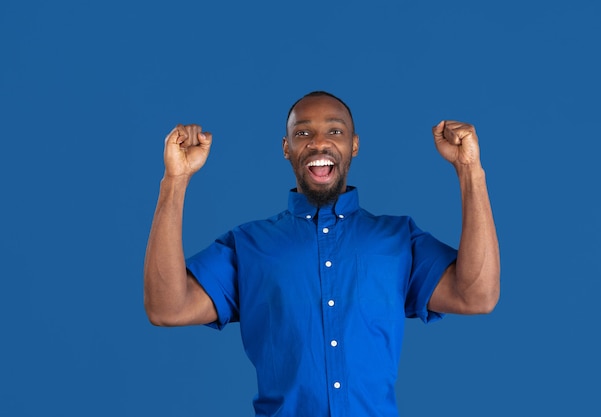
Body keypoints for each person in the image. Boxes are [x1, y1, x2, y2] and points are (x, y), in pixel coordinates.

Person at [144, 91, 500, 416]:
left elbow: (476, 295)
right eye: (302, 133)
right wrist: (175, 180)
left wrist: (470, 171)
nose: (318, 143)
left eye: (335, 131)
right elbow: (167, 308)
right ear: (285, 148)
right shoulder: (248, 245)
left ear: (354, 145)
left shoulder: (397, 239)